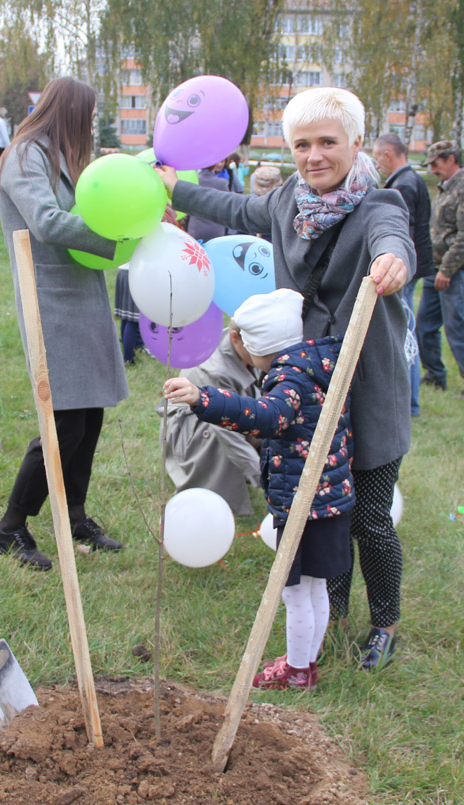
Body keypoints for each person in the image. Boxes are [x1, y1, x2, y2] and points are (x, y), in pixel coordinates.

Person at [157, 86, 414, 671]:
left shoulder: (379, 208)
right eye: (302, 144)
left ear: (354, 143)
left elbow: (393, 240)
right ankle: (336, 609)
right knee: (326, 513)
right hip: (305, 389)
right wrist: (175, 188)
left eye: (328, 142)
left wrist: (395, 263)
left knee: (370, 518)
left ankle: (385, 623)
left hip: (364, 393)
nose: (314, 155)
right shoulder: (284, 205)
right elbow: (232, 210)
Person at [163, 288, 354, 690]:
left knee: (296, 593)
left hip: (305, 504)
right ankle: (307, 661)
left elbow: (269, 417)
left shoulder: (287, 376)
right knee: (317, 588)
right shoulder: (320, 361)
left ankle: (298, 672)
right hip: (331, 499)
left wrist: (203, 398)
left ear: (260, 347)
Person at [0, 77, 126, 571]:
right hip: (47, 299)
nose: (89, 125)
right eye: (87, 116)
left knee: (89, 417)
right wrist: (115, 237)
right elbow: (47, 222)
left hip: (80, 296)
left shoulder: (60, 155)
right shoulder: (26, 154)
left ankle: (74, 516)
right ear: (67, 111)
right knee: (63, 422)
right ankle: (9, 527)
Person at [158, 323, 264, 517]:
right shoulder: (216, 370)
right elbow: (225, 429)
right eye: (255, 346)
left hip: (230, 417)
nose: (261, 351)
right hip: (195, 429)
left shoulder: (244, 347)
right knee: (219, 430)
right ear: (235, 338)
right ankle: (210, 487)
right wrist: (261, 476)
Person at [416, 140, 464, 398]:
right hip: (435, 269)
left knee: (455, 326)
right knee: (424, 325)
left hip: (452, 272)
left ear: (451, 159)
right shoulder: (446, 187)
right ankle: (435, 374)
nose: (432, 169)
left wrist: (447, 269)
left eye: (436, 163)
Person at [373, 133, 435, 417]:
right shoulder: (409, 180)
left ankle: (409, 404)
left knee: (403, 333)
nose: (378, 164)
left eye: (377, 158)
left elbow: (400, 234)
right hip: (409, 268)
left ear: (388, 155)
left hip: (403, 270)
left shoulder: (404, 186)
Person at [185, 159, 241, 243]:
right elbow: (227, 204)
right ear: (213, 165)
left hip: (196, 227)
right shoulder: (222, 183)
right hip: (215, 228)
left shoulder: (193, 180)